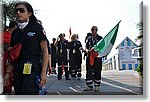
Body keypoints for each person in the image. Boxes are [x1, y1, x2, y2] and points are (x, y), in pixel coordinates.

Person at [4, 1, 49, 95]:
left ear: (29, 13)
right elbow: (13, 55)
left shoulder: (37, 28)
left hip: (33, 68)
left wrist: (44, 73)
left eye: (21, 10)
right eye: (16, 11)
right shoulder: (15, 33)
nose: (18, 13)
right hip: (18, 70)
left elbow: (45, 52)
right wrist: (8, 73)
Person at [84, 26, 103, 91]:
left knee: (97, 70)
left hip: (97, 57)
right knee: (89, 71)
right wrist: (87, 51)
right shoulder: (89, 39)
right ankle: (89, 86)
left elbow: (103, 47)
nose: (93, 31)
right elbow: (86, 47)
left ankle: (97, 85)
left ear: (97, 30)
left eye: (94, 30)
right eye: (92, 30)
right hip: (90, 57)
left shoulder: (100, 38)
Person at [2, 21, 18, 95]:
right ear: (14, 27)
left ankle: (9, 89)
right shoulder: (4, 34)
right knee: (6, 73)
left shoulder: (15, 35)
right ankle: (6, 90)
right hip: (5, 57)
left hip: (14, 57)